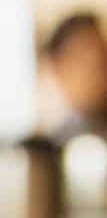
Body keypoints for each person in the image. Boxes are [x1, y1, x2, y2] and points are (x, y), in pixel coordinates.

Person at [44, 11, 107, 140]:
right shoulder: (59, 143)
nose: (99, 74)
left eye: (103, 55)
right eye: (85, 60)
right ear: (59, 70)